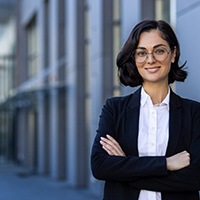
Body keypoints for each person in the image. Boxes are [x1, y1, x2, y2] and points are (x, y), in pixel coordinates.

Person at [90, 19, 200, 200]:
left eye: (159, 51)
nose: (150, 59)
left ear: (173, 54)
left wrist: (124, 169)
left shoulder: (194, 112)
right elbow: (100, 166)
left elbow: (195, 177)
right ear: (134, 58)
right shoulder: (115, 109)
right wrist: (166, 164)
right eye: (141, 53)